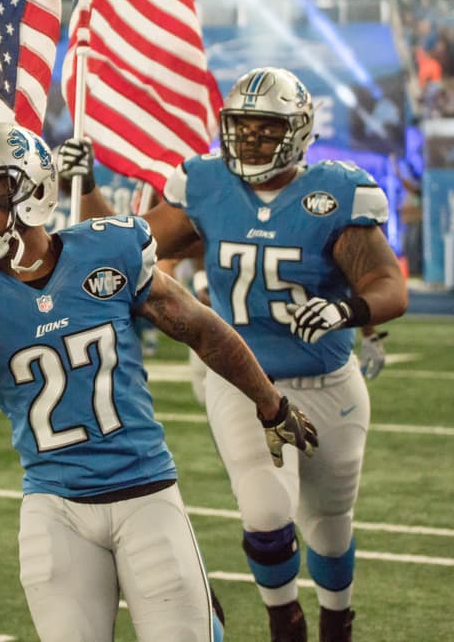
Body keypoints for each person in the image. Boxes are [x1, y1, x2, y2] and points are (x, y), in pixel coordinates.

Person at [0, 121, 318, 642]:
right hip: (54, 503)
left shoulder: (105, 252)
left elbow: (199, 327)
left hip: (145, 492)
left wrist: (272, 405)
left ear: (31, 191)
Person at [62, 66, 409, 642]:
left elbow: (388, 285)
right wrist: (90, 185)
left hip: (327, 382)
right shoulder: (207, 184)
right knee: (266, 515)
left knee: (328, 523)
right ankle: (284, 622)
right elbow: (125, 246)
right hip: (243, 381)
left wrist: (348, 311)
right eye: (241, 128)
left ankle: (337, 618)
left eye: (264, 129)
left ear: (297, 132)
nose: (249, 140)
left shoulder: (336, 193)